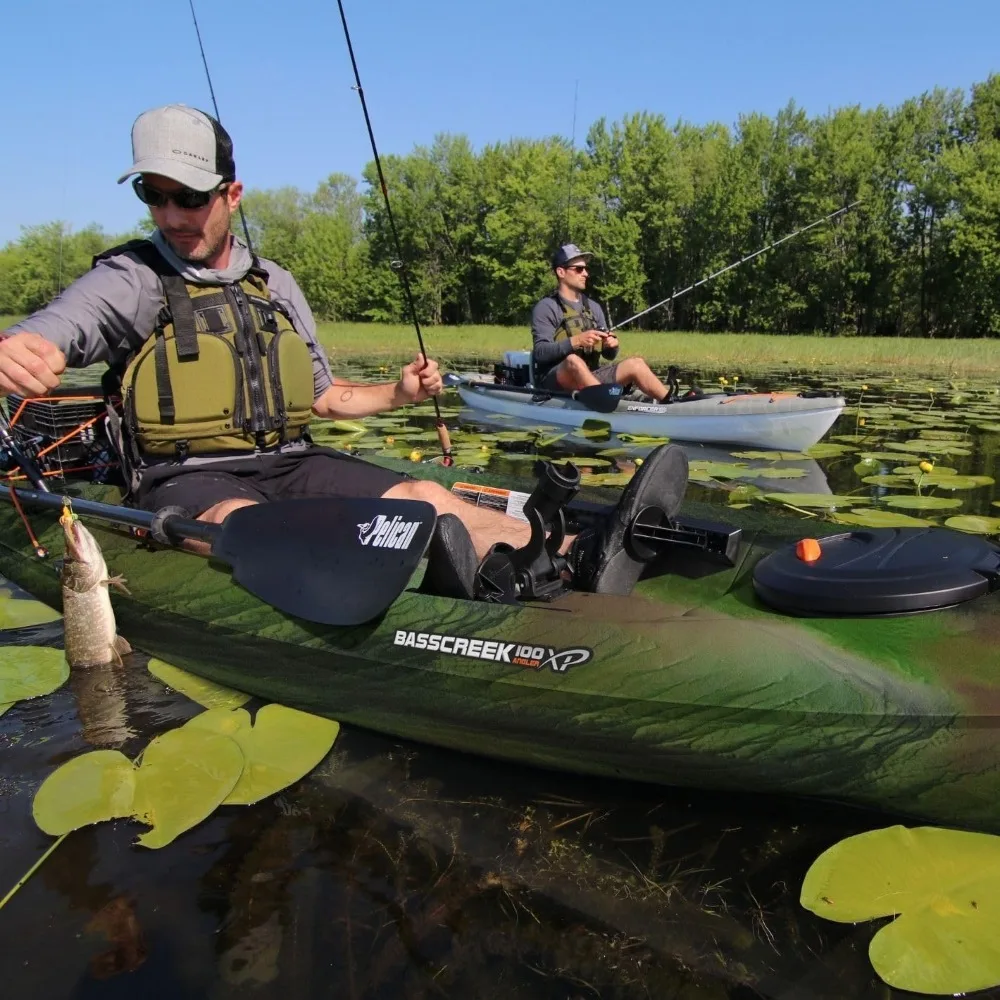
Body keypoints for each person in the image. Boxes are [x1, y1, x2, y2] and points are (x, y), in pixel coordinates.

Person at [0, 106, 687, 596]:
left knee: (421, 491)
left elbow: (327, 397)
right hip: (187, 479)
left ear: (232, 194)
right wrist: (16, 349)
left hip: (292, 459)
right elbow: (56, 326)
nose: (173, 216)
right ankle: (456, 573)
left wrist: (398, 396)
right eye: (156, 196)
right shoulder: (133, 278)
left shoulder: (278, 286)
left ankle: (570, 550)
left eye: (192, 197)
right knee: (256, 524)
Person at [531, 245, 676, 403]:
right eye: (579, 269)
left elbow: (609, 355)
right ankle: (604, 400)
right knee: (574, 361)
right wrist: (577, 341)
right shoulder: (546, 307)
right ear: (561, 272)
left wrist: (611, 345)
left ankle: (671, 403)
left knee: (636, 364)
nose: (585, 273)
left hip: (592, 375)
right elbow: (540, 353)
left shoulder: (593, 307)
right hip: (556, 380)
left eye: (586, 269)